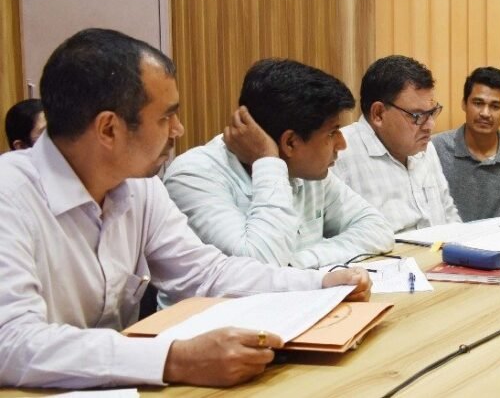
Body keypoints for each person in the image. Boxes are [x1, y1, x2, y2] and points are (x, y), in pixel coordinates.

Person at [0, 28, 370, 388]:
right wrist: (174, 359)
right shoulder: (10, 195)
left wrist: (318, 284)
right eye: (166, 117)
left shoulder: (140, 187)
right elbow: (11, 343)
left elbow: (205, 273)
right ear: (109, 129)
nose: (178, 130)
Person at [163, 59, 395, 270]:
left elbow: (377, 229)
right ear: (290, 142)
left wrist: (300, 262)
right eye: (332, 132)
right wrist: (267, 161)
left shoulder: (309, 171)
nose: (342, 144)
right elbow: (258, 266)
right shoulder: (193, 175)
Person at [333, 55, 461, 232]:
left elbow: (448, 213)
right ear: (378, 114)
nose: (430, 125)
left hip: (441, 248)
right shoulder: (338, 154)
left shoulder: (425, 146)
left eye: (432, 113)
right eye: (417, 116)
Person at [432, 66, 500, 221]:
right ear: (464, 104)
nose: (485, 113)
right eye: (478, 103)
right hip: (447, 235)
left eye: (495, 106)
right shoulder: (436, 147)